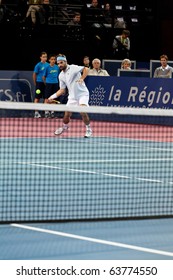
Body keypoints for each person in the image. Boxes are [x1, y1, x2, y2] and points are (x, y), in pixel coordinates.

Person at [48, 54, 92, 138]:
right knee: (66, 116)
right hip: (72, 97)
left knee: (82, 111)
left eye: (61, 62)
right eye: (58, 63)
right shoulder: (61, 75)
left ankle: (88, 129)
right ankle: (65, 127)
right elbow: (62, 90)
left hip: (83, 94)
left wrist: (82, 78)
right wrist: (52, 97)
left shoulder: (73, 67)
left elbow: (86, 69)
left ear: (66, 62)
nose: (60, 65)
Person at [33, 51, 49, 118]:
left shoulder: (48, 65)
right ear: (40, 57)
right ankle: (36, 113)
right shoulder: (38, 65)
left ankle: (46, 112)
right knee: (37, 98)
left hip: (46, 83)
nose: (45, 58)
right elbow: (34, 75)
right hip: (39, 83)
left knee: (46, 98)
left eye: (46, 57)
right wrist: (35, 83)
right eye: (43, 57)